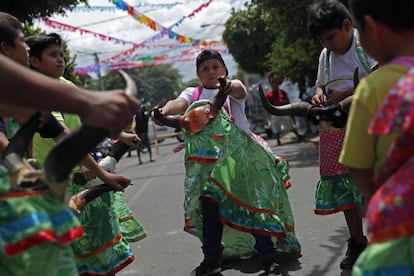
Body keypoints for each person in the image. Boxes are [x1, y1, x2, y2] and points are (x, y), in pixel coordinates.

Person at [0, 12, 138, 276]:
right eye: (21, 41)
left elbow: (63, 134)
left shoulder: (28, 100)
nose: (27, 49)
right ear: (4, 49)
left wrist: (103, 174)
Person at [154, 49, 301, 276]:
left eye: (216, 67)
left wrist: (227, 85)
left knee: (254, 207)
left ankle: (269, 257)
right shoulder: (194, 93)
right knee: (210, 210)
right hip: (208, 167)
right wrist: (164, 111)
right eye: (205, 69)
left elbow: (238, 89)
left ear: (224, 69)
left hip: (241, 159)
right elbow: (178, 103)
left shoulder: (233, 89)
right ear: (198, 74)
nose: (211, 72)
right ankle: (212, 260)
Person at [339, 0, 414, 274]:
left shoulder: (372, 89)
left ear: (370, 27)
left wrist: (374, 198)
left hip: (401, 227)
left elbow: (358, 166)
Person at [307, 0, 378, 270]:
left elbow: (379, 75)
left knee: (373, 181)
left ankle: (387, 237)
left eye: (330, 38)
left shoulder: (366, 44)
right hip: (333, 126)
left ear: (347, 26)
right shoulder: (325, 56)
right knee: (344, 185)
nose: (327, 45)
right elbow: (319, 86)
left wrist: (347, 95)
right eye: (322, 40)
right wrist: (318, 95)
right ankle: (358, 241)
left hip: (365, 118)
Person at [265, 72, 303, 145]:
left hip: (283, 110)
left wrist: (289, 110)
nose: (274, 84)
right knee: (276, 126)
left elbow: (287, 101)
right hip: (275, 112)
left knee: (289, 124)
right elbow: (268, 105)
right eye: (273, 83)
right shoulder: (269, 94)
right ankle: (278, 140)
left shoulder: (282, 92)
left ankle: (298, 136)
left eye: (275, 83)